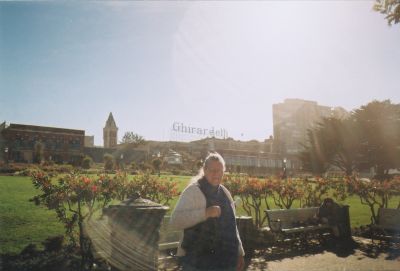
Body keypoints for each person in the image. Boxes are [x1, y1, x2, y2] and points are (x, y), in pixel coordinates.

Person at [169, 152, 245, 271]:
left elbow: (232, 225)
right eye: (212, 170)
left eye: (219, 170)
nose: (216, 174)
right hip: (197, 262)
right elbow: (175, 221)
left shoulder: (225, 193)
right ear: (204, 170)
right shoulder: (193, 191)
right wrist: (205, 213)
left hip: (226, 260)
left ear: (223, 172)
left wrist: (240, 253)